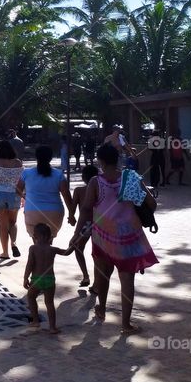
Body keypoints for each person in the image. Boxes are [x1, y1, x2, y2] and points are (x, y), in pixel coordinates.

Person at [71, 143, 158, 334]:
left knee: (103, 275)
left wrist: (77, 234)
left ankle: (101, 308)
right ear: (118, 158)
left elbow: (86, 211)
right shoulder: (131, 178)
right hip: (129, 237)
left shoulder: (95, 182)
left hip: (102, 236)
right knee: (127, 280)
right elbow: (151, 203)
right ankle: (126, 324)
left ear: (100, 161)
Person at [24, 223, 74, 334]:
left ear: (36, 236)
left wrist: (25, 278)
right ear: (49, 237)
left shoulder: (33, 248)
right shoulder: (52, 249)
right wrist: (74, 245)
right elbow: (67, 252)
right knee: (49, 303)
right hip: (50, 279)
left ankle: (35, 321)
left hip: (36, 279)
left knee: (31, 297)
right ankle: (52, 327)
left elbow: (30, 264)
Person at [17, 146, 73, 241]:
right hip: (55, 213)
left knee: (37, 242)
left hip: (32, 212)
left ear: (36, 157)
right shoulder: (59, 174)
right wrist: (72, 214)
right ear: (51, 158)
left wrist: (26, 197)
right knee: (48, 242)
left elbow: (17, 190)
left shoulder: (26, 173)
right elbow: (66, 195)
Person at [0, 140, 24, 259]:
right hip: (14, 195)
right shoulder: (18, 163)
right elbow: (21, 181)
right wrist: (23, 195)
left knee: (3, 226)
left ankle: (5, 252)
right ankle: (13, 243)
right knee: (13, 222)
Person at [69, 165, 98, 288]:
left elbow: (73, 208)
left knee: (78, 247)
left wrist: (71, 218)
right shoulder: (101, 189)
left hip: (85, 224)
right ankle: (97, 282)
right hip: (99, 223)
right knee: (98, 253)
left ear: (83, 177)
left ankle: (86, 275)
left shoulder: (79, 191)